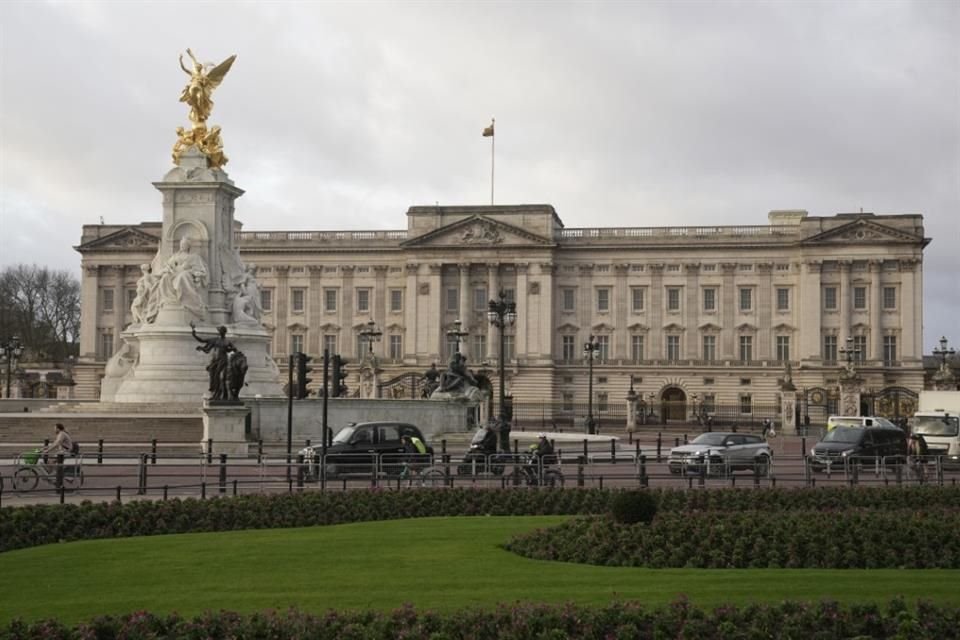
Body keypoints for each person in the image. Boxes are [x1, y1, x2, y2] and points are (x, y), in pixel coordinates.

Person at [190, 322, 236, 400]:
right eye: (220, 331)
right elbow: (202, 340)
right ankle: (213, 389)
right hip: (215, 360)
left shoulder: (227, 342)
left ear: (224, 332)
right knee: (212, 372)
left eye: (222, 331)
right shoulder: (215, 340)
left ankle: (217, 393)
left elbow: (234, 349)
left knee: (217, 374)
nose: (220, 332)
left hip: (223, 359)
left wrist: (230, 349)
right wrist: (194, 331)